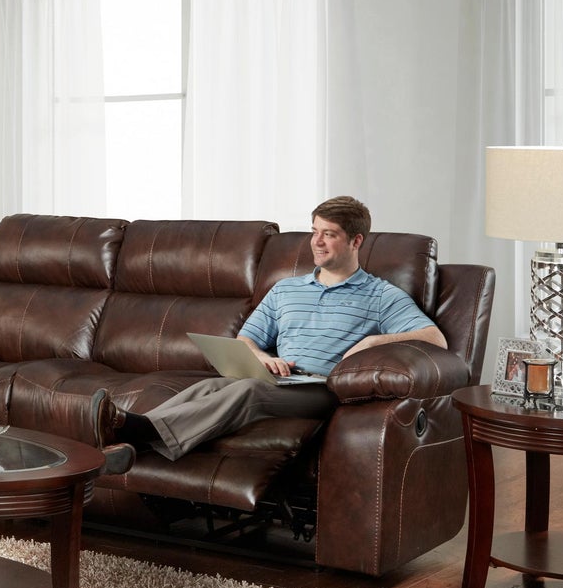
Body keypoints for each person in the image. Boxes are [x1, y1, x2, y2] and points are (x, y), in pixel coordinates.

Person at [92, 196, 447, 471]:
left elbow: (435, 339)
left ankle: (132, 430)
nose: (317, 242)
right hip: (281, 379)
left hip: (323, 389)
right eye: (314, 231)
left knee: (248, 390)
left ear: (356, 241)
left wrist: (372, 342)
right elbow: (246, 340)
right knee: (210, 386)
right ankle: (126, 441)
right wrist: (263, 358)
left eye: (329, 234)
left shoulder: (380, 295)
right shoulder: (286, 289)